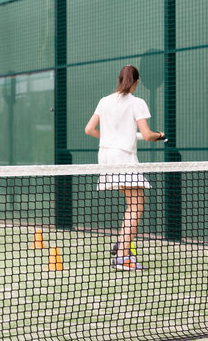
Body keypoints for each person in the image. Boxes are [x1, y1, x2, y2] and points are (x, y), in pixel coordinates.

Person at [84, 65, 165, 271]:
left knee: (133, 203)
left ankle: (122, 244)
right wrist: (160, 135)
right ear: (136, 82)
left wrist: (112, 138)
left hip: (106, 156)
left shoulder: (104, 101)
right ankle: (122, 256)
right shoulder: (137, 103)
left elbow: (89, 129)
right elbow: (147, 135)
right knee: (137, 205)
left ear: (119, 79)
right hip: (123, 157)